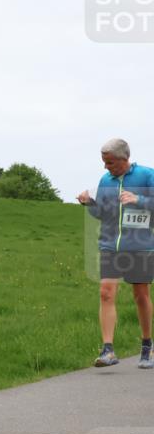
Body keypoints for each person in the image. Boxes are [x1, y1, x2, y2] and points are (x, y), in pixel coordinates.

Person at [77, 138, 154, 369]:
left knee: (140, 295)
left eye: (109, 162)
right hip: (110, 245)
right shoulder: (105, 180)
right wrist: (89, 203)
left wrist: (138, 199)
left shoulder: (146, 175)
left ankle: (147, 346)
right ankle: (108, 350)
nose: (106, 167)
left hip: (140, 245)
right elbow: (102, 213)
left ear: (123, 159)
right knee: (106, 293)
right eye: (104, 162)